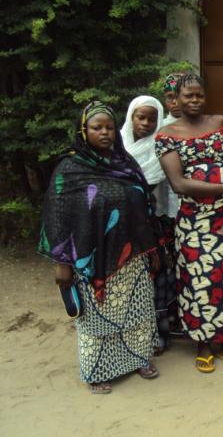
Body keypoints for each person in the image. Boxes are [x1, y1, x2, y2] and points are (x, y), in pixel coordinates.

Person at [38, 101, 160, 394]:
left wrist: (153, 250)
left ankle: (139, 358)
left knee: (138, 312)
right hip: (91, 258)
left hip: (132, 257)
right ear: (84, 131)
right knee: (96, 319)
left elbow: (144, 209)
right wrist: (62, 263)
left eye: (109, 127)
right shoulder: (70, 169)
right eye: (97, 127)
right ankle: (97, 370)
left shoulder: (125, 163)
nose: (105, 132)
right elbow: (57, 218)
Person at [155, 74, 223, 373]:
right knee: (198, 281)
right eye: (188, 95)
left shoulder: (220, 122)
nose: (194, 100)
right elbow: (178, 183)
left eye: (199, 95)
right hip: (195, 222)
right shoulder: (166, 135)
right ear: (176, 98)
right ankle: (203, 343)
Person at [121, 95, 177, 352]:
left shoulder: (161, 147)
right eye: (140, 117)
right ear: (130, 117)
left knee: (158, 279)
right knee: (129, 282)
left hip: (154, 224)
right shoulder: (116, 147)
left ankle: (160, 335)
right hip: (121, 227)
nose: (145, 123)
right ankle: (130, 337)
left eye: (151, 119)